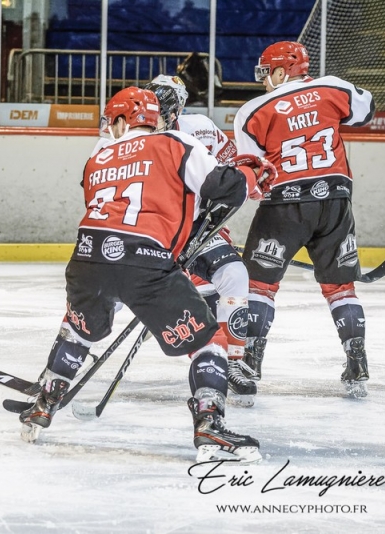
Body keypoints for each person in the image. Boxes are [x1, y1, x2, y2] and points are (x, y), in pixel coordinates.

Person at [20, 86, 275, 463]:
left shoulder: (99, 156)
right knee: (207, 341)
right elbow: (225, 188)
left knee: (77, 332)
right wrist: (251, 173)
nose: (109, 127)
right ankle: (209, 425)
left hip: (87, 259)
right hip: (146, 262)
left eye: (112, 121)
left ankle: (44, 402)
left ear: (124, 120)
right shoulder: (176, 142)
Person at [233, 41, 375, 398]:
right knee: (341, 287)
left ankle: (251, 360)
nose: (265, 80)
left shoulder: (253, 110)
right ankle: (356, 359)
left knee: (259, 286)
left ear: (281, 72)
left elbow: (251, 172)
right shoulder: (333, 87)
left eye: (267, 73)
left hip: (285, 203)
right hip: (336, 200)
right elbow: (366, 109)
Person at [143, 75, 257, 406]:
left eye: (163, 110)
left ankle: (233, 361)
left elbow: (231, 163)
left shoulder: (200, 127)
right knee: (110, 291)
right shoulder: (134, 136)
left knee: (235, 274)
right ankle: (69, 358)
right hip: (152, 230)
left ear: (177, 108)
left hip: (196, 227)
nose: (155, 118)